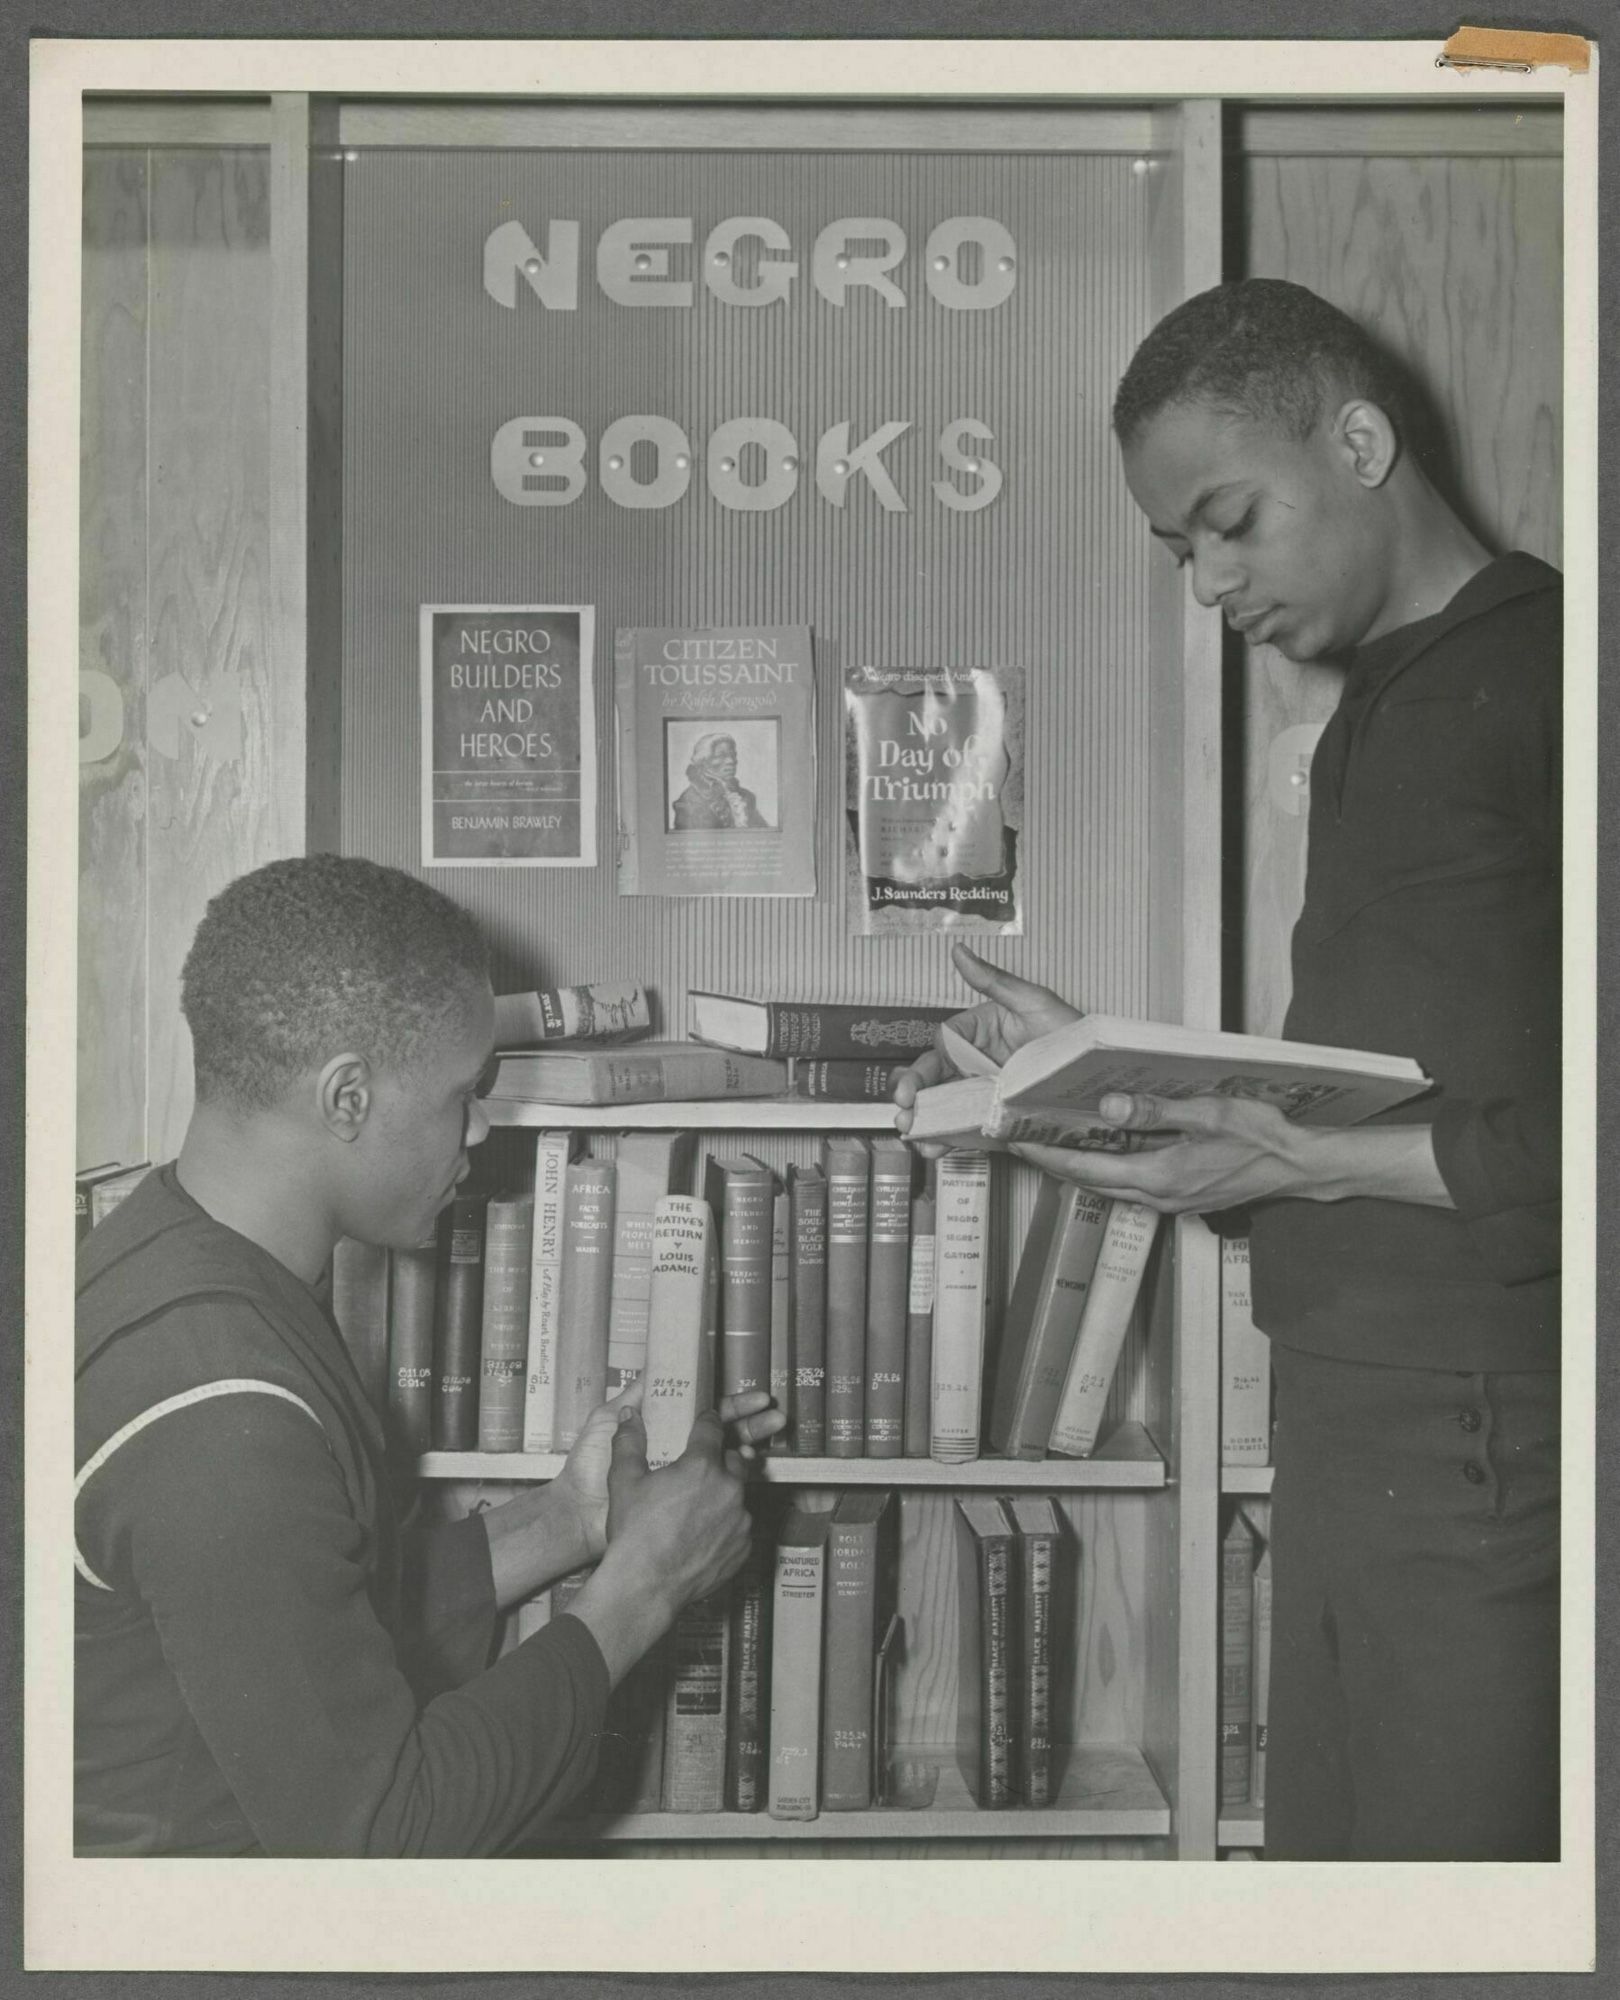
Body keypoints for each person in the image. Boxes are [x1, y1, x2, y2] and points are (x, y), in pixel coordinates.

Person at [896, 279, 1561, 1862]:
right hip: (1348, 1423)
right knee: (1338, 1899)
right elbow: (1419, 1088)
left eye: (1229, 522)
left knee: (1450, 1929)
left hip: (1479, 1437)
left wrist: (1311, 1160)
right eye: (1179, 549)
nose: (1207, 583)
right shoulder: (1365, 720)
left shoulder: (1552, 678)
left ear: (1359, 438)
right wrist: (1137, 1088)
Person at [74, 854, 783, 1857]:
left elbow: (304, 1617)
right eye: (464, 1093)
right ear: (349, 1097)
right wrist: (642, 1585)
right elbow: (385, 1836)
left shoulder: (173, 1253)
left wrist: (568, 1517)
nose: (480, 1127)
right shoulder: (216, 1407)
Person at [669, 732, 770, 830]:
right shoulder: (688, 802)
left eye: (733, 755)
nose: (730, 761)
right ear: (703, 762)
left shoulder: (747, 797)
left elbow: (764, 834)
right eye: (721, 756)